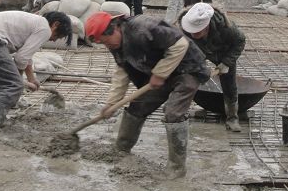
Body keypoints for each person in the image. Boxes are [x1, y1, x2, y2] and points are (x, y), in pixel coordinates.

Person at [86, 11, 209, 178]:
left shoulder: (144, 27)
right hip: (159, 74)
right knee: (138, 106)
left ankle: (176, 168)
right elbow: (122, 72)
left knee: (173, 113)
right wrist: (111, 103)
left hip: (188, 68)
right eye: (103, 44)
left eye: (106, 42)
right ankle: (121, 148)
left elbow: (180, 44)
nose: (107, 46)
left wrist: (160, 73)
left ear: (114, 29)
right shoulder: (116, 45)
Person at [0, 10, 72, 130]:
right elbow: (21, 58)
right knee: (13, 86)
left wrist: (32, 79)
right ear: (55, 24)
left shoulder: (36, 22)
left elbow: (26, 54)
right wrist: (18, 80)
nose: (53, 40)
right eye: (57, 36)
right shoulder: (45, 29)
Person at [180, 3, 246, 131]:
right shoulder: (185, 29)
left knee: (229, 83)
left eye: (197, 31)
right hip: (198, 50)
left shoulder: (226, 28)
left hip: (223, 50)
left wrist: (226, 63)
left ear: (206, 26)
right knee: (188, 79)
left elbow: (240, 41)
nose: (193, 34)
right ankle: (178, 110)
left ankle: (232, 117)